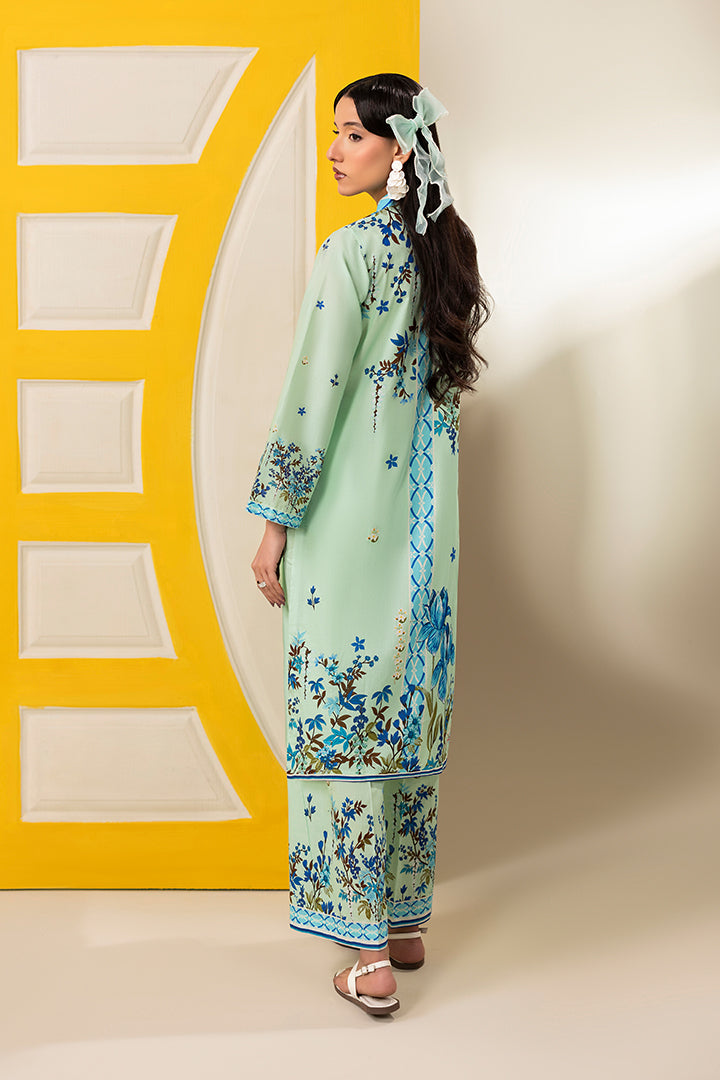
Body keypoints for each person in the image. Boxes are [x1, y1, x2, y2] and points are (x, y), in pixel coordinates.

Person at [247, 72, 492, 1016]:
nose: (335, 149)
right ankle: (404, 924)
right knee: (405, 707)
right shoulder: (448, 254)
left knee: (343, 718)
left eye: (353, 133)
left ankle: (365, 958)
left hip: (350, 529)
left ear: (399, 150)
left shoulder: (352, 252)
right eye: (336, 132)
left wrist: (275, 524)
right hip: (430, 541)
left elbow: (313, 396)